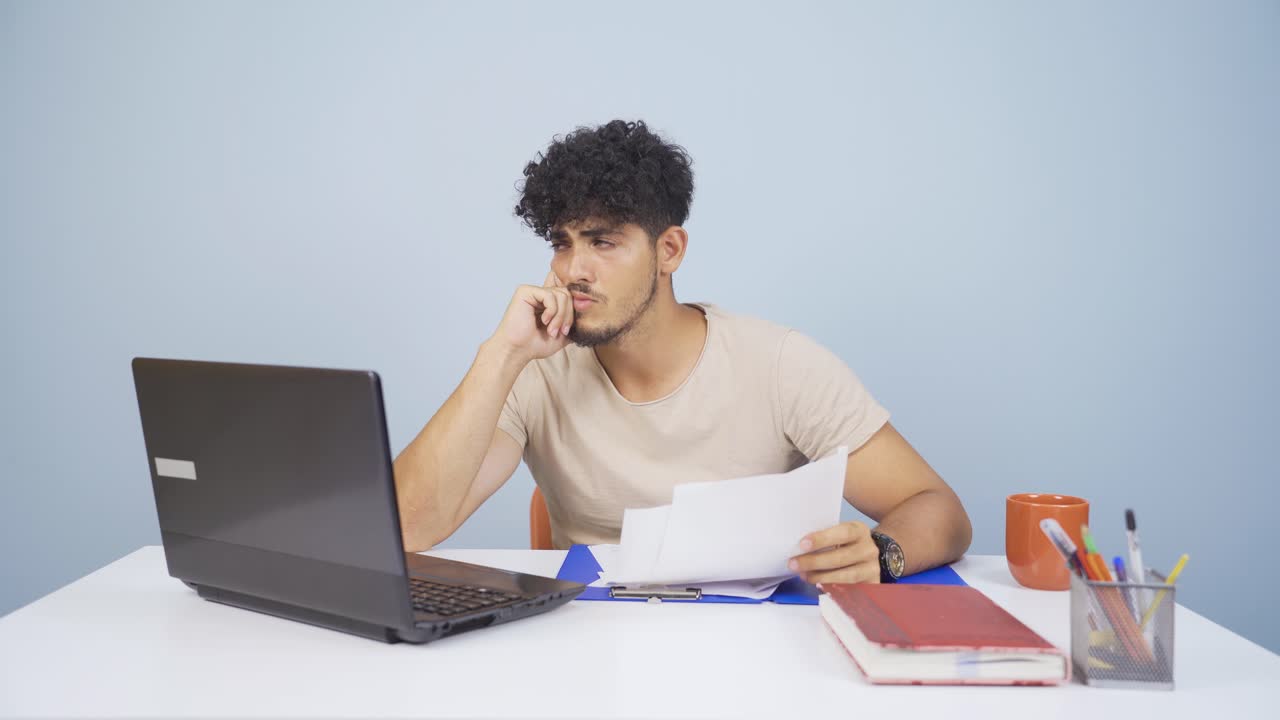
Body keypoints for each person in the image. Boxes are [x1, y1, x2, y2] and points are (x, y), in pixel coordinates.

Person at [394, 119, 972, 585]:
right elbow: (407, 528)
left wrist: (883, 552)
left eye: (604, 242)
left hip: (757, 653)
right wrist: (502, 354)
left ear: (669, 250)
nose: (574, 270)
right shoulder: (534, 372)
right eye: (563, 244)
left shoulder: (780, 366)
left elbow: (938, 508)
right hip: (587, 653)